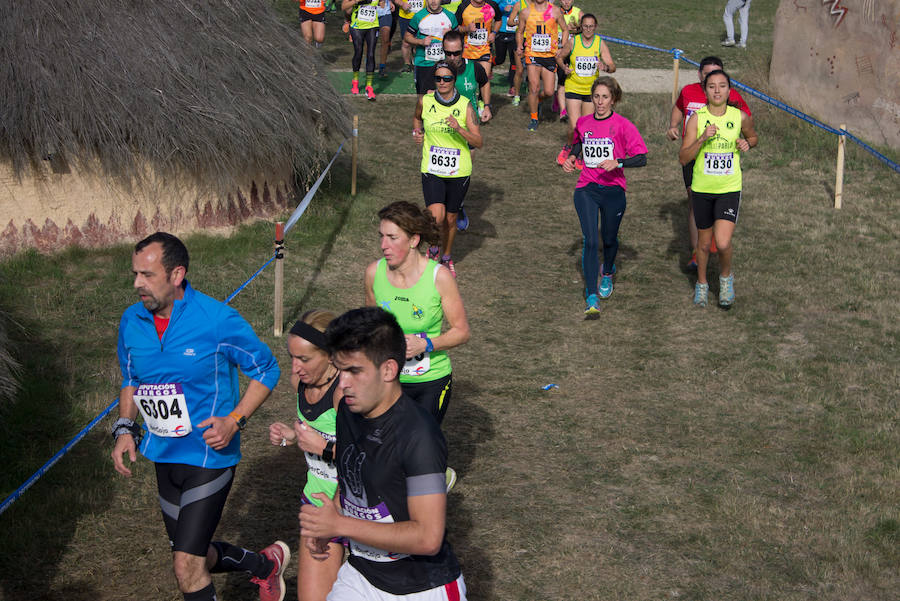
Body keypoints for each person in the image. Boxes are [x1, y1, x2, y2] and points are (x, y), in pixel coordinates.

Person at [111, 232, 286, 601]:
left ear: (177, 275)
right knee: (192, 554)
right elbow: (130, 378)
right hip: (163, 455)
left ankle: (261, 567)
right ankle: (263, 566)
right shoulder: (131, 321)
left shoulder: (216, 320)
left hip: (209, 455)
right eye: (135, 274)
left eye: (147, 275)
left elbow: (266, 369)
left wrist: (234, 420)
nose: (137, 284)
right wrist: (125, 428)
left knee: (186, 566)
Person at [298, 306, 467, 601]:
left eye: (354, 371)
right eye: (340, 370)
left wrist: (339, 525)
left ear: (388, 369)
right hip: (362, 575)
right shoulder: (348, 413)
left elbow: (428, 538)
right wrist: (332, 516)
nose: (343, 382)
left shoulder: (419, 435)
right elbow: (351, 480)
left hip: (421, 587)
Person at [365, 200, 470, 425]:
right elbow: (371, 326)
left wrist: (426, 345)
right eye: (381, 236)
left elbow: (461, 331)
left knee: (418, 444)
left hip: (431, 381)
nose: (384, 245)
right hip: (388, 380)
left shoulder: (439, 277)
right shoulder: (374, 273)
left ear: (414, 240)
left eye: (392, 238)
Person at [268, 311, 343, 601]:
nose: (296, 368)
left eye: (304, 359)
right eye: (292, 358)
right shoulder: (300, 383)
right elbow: (314, 433)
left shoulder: (345, 394)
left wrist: (322, 446)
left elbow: (373, 455)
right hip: (317, 502)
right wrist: (292, 436)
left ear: (331, 355)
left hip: (361, 507)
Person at [562, 77, 647, 316]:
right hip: (586, 188)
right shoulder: (583, 122)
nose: (599, 102)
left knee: (608, 239)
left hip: (613, 190)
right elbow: (579, 143)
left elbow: (642, 157)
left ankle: (607, 270)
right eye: (596, 97)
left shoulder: (623, 125)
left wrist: (618, 162)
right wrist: (571, 157)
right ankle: (591, 294)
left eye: (605, 97)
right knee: (590, 240)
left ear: (614, 99)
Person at [679, 69, 758, 308]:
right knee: (703, 244)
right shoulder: (697, 119)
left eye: (722, 86)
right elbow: (683, 157)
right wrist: (702, 139)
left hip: (729, 187)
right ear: (704, 90)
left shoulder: (740, 117)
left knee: (722, 243)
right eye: (711, 86)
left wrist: (747, 143)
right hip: (702, 187)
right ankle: (702, 285)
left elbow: (753, 138)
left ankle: (725, 279)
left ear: (729, 90)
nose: (717, 90)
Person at [666, 56, 751, 269]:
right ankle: (697, 251)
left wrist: (744, 140)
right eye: (707, 75)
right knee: (693, 199)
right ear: (700, 76)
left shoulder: (731, 97)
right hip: (693, 153)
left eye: (719, 78)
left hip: (722, 159)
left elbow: (746, 120)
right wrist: (673, 125)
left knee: (715, 202)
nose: (714, 85)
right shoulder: (688, 92)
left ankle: (714, 236)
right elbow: (678, 107)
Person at [412, 61, 483, 274]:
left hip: (458, 171)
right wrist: (417, 133)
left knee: (451, 219)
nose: (442, 82)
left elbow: (479, 142)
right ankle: (434, 248)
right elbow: (416, 119)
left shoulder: (465, 106)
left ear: (454, 80)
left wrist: (459, 129)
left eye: (447, 78)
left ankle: (446, 255)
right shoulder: (424, 101)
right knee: (436, 216)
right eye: (438, 78)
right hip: (432, 168)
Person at [556, 12, 615, 164]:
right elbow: (559, 57)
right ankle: (569, 147)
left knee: (586, 126)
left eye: (591, 27)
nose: (588, 30)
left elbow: (612, 66)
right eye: (585, 26)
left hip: (591, 91)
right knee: (575, 125)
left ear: (595, 27)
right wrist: (564, 67)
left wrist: (605, 67)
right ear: (581, 27)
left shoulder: (599, 43)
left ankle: (580, 154)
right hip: (573, 87)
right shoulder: (573, 42)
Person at [516, 0, 569, 131]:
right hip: (532, 54)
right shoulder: (526, 12)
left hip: (550, 56)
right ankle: (534, 119)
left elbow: (565, 29)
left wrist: (562, 47)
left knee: (550, 92)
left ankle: (538, 100)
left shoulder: (555, 11)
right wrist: (519, 45)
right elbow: (519, 31)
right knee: (534, 87)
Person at [455, 0, 502, 114]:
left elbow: (499, 20)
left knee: (484, 78)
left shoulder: (492, 5)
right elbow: (455, 27)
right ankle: (462, 104)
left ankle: (483, 104)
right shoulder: (463, 6)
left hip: (484, 49)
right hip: (467, 51)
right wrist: (467, 29)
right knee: (467, 80)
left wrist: (494, 33)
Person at [404, 0, 458, 98]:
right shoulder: (418, 16)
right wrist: (421, 42)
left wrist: (450, 34)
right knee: (423, 98)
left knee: (446, 97)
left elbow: (458, 40)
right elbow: (407, 36)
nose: (433, 1)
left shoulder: (450, 16)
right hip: (423, 63)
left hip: (445, 64)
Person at [343, 0, 383, 100]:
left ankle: (369, 87)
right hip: (357, 26)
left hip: (372, 26)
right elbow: (344, 6)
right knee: (358, 52)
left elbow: (382, 3)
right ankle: (355, 81)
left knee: (370, 54)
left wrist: (385, 4)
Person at [552, 0, 582, 122]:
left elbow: (587, 29)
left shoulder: (578, 13)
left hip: (573, 52)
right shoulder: (554, 12)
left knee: (568, 78)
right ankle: (563, 111)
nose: (566, 2)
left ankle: (563, 103)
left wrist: (576, 29)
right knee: (560, 78)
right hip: (556, 50)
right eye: (564, 0)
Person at [492, 0, 520, 100]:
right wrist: (502, 9)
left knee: (514, 61)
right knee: (500, 59)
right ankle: (490, 65)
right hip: (502, 31)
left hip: (515, 31)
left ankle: (512, 86)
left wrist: (517, 10)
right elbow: (491, 7)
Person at [377, 0, 395, 76]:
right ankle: (369, 61)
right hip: (371, 11)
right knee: (370, 41)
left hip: (385, 11)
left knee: (385, 39)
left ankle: (382, 67)